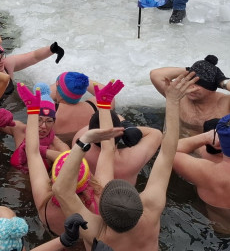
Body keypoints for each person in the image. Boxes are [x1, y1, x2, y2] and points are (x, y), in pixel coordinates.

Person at [53, 73, 191, 250]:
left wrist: (84, 140)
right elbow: (166, 153)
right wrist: (172, 102)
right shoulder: (151, 211)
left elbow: (61, 189)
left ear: (100, 209)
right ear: (138, 199)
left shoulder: (94, 231)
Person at [17, 82, 104, 237]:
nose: (43, 126)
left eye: (49, 121)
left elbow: (68, 157)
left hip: (39, 191)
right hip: (20, 180)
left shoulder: (57, 144)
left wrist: (44, 151)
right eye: (39, 120)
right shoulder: (18, 130)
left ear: (54, 123)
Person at [150, 55, 230, 136]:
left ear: (212, 88)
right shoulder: (178, 96)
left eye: (200, 85)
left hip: (211, 151)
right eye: (190, 82)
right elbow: (156, 75)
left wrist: (223, 81)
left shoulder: (225, 103)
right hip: (180, 146)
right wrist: (190, 70)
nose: (192, 88)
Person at [73, 110, 163, 185]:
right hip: (122, 199)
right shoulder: (131, 161)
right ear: (118, 131)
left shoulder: (79, 141)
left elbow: (100, 122)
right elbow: (157, 134)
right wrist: (127, 127)